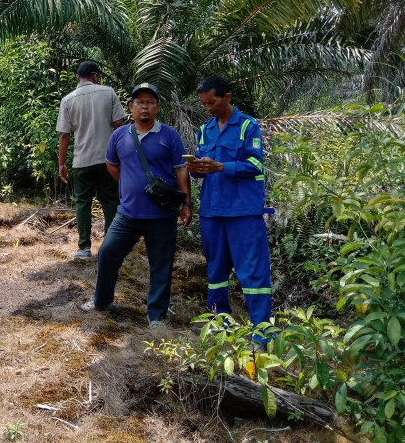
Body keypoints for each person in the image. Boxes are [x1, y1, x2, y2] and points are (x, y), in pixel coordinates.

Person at [80, 83, 192, 326]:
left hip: (162, 215)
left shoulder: (169, 135)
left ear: (157, 107)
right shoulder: (120, 135)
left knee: (161, 265)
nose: (145, 107)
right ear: (130, 107)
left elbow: (181, 169)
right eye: (140, 102)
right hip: (128, 214)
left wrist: (187, 203)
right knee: (107, 252)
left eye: (150, 102)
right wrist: (129, 185)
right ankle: (103, 301)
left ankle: (156, 316)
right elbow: (112, 164)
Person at [186, 75, 271, 333]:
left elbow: (256, 164)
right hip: (212, 211)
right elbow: (203, 166)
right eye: (204, 104)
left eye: (211, 102)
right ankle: (219, 321)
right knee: (216, 269)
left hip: (243, 212)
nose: (208, 108)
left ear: (227, 97)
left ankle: (262, 331)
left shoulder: (248, 126)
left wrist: (222, 166)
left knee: (252, 270)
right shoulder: (205, 130)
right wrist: (196, 168)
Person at [57, 61, 126, 259]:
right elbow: (119, 125)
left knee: (82, 203)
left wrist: (61, 164)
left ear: (78, 77)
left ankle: (84, 248)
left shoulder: (68, 100)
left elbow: (64, 135)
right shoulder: (108, 92)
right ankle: (112, 245)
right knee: (111, 200)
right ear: (95, 76)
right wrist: (122, 156)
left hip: (82, 161)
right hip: (108, 160)